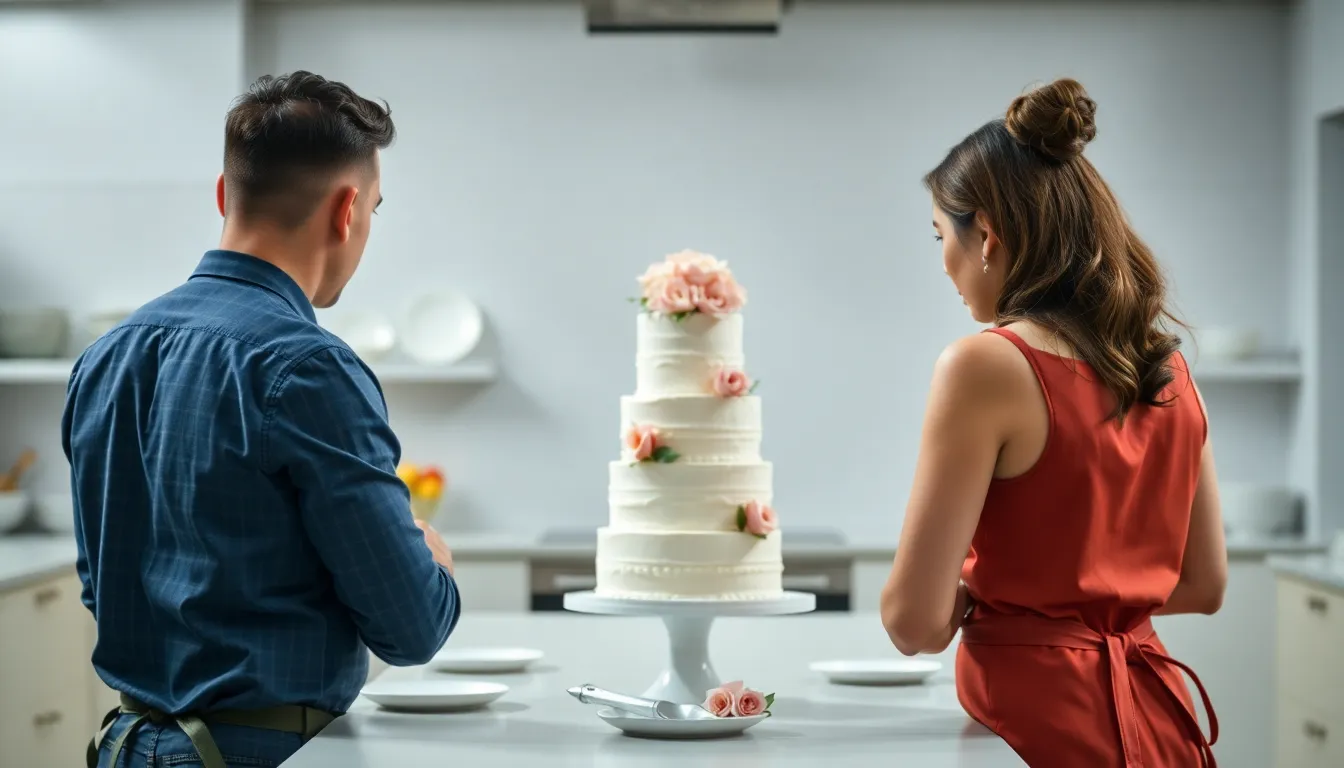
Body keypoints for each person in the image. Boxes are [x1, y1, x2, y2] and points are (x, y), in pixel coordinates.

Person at [63, 71, 462, 768]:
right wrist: (431, 563)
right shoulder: (308, 368)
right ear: (347, 212)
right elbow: (411, 628)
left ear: (224, 196)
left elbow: (104, 586)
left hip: (126, 747)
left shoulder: (105, 358)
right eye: (373, 207)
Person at [879, 78, 1227, 767]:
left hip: (1041, 732)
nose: (943, 262)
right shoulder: (1168, 369)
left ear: (988, 238)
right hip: (1158, 722)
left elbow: (912, 622)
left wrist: (988, 597)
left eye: (940, 235)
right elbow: (1202, 586)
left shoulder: (984, 367)